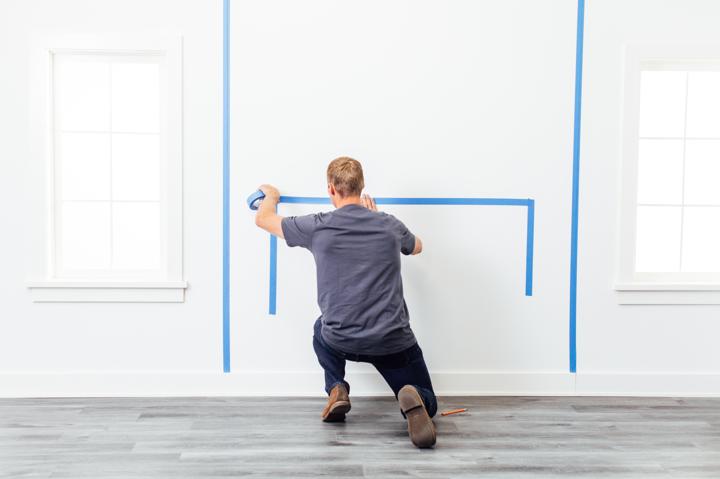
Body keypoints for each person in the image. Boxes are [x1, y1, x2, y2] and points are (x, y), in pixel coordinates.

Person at [253, 157, 437, 448]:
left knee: (320, 328)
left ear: (331, 189)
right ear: (362, 186)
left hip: (340, 338)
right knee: (430, 401)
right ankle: (412, 394)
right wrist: (380, 222)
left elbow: (263, 219)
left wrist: (272, 196)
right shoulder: (389, 225)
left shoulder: (317, 227)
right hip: (393, 342)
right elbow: (417, 247)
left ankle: (337, 387)